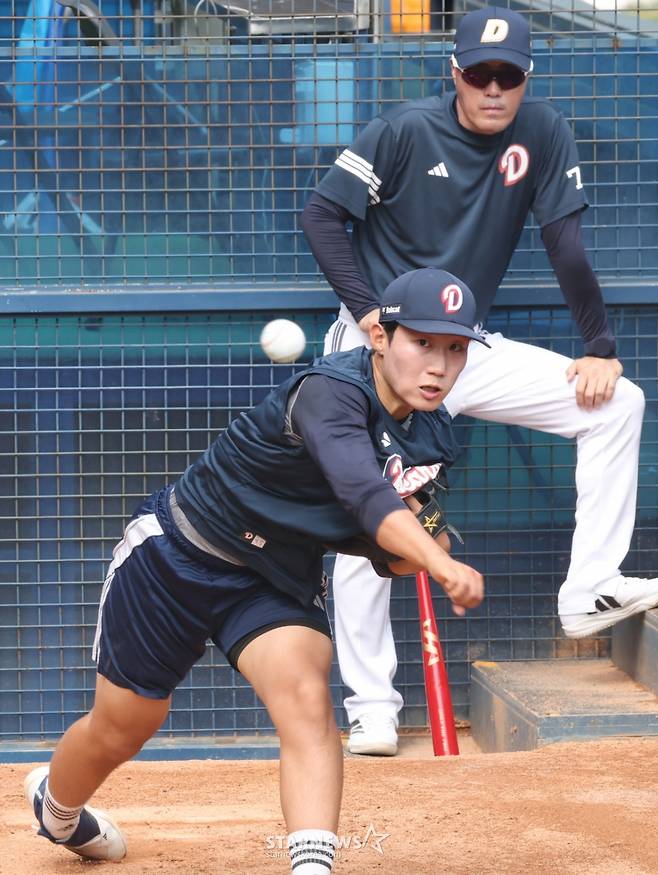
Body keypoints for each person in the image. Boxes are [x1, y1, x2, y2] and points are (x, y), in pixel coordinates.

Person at [23, 267, 485, 871]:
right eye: (422, 342)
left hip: (273, 581)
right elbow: (364, 495)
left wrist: (429, 540)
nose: (439, 365)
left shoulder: (432, 439)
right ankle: (56, 811)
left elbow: (391, 550)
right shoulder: (330, 392)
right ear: (380, 337)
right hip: (178, 555)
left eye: (455, 349)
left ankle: (312, 866)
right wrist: (438, 561)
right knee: (123, 727)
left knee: (306, 700)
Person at [301, 5, 658, 758]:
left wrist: (600, 347)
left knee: (616, 402)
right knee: (372, 516)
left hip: (464, 348)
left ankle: (589, 587)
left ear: (526, 80)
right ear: (454, 71)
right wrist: (367, 314)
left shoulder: (543, 132)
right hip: (384, 349)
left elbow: (565, 244)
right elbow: (323, 216)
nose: (494, 89)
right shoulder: (402, 131)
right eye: (480, 73)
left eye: (510, 76)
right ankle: (370, 706)